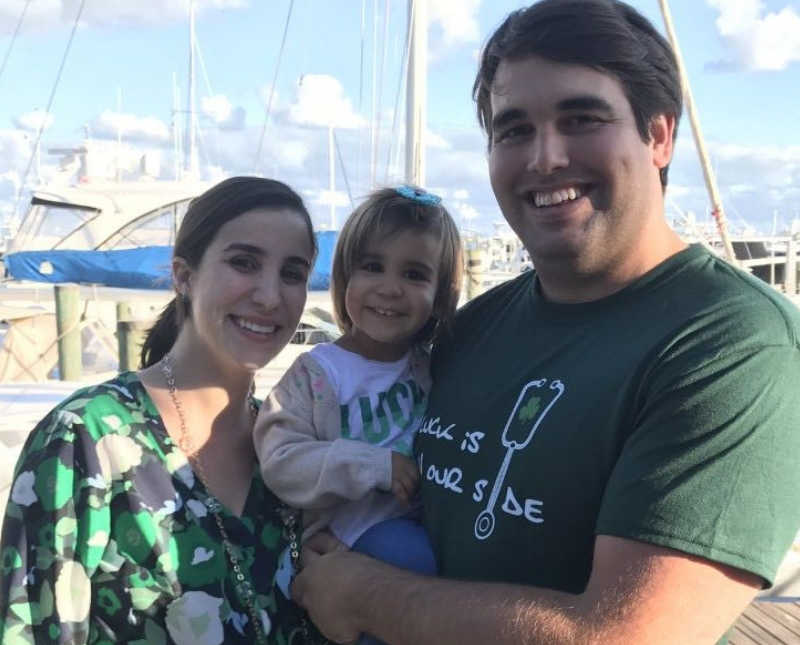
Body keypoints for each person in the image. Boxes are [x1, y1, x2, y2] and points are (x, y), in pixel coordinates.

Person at [289, 1, 800, 643]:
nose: (545, 157)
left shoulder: (734, 345)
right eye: (514, 130)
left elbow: (628, 637)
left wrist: (367, 596)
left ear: (659, 135)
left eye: (581, 118)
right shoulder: (469, 329)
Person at [0, 176, 321, 644]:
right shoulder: (88, 438)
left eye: (292, 273)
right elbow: (29, 628)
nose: (270, 296)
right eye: (244, 263)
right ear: (184, 276)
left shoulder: (289, 444)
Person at [254, 187, 462, 640]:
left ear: (440, 293)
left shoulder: (431, 369)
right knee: (414, 562)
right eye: (372, 267)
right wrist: (373, 465)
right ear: (345, 276)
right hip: (350, 542)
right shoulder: (317, 373)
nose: (390, 288)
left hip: (420, 532)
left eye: (414, 274)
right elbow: (281, 461)